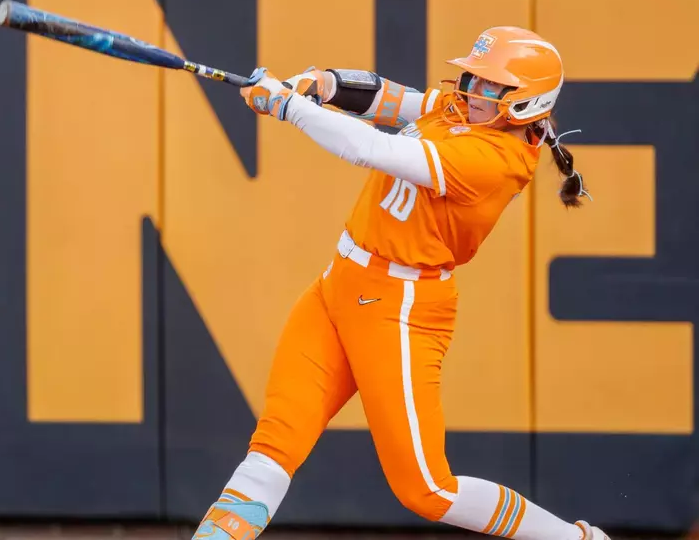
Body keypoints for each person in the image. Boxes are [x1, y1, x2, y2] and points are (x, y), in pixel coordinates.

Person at [189, 27, 604, 540]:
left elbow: (371, 149)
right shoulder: (461, 109)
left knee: (427, 491)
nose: (474, 90)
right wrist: (324, 84)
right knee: (273, 445)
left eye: (492, 85)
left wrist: (287, 107)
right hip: (339, 285)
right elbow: (390, 99)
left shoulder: (495, 161)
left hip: (399, 308)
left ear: (527, 102)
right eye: (474, 77)